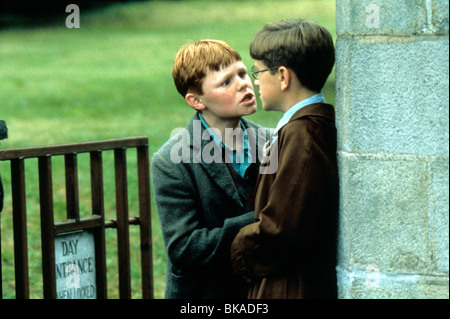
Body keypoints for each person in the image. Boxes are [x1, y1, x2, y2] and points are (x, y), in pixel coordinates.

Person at [230, 19, 339, 299]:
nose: (254, 81)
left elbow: (280, 231)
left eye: (257, 72)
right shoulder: (299, 128)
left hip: (290, 288)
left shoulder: (304, 134)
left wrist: (240, 248)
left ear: (282, 76)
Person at [151, 40, 268, 298]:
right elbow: (185, 248)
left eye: (242, 73)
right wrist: (263, 219)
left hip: (263, 292)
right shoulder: (172, 160)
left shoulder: (273, 141)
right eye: (226, 82)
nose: (243, 84)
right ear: (196, 100)